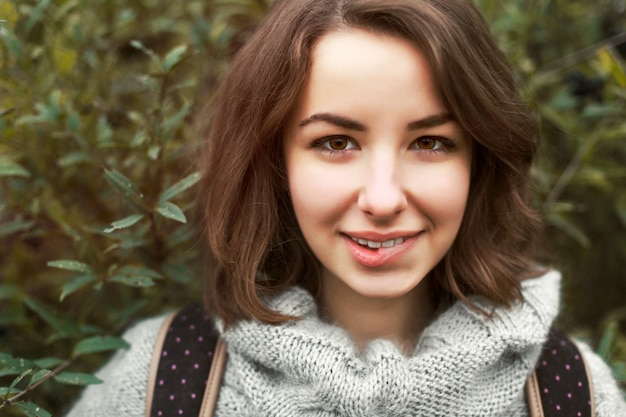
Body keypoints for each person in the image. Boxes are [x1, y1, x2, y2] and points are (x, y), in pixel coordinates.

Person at [66, 0, 626, 416]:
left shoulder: (570, 393)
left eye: (430, 143)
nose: (382, 199)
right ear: (273, 162)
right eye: (336, 143)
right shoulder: (159, 381)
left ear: (480, 163)